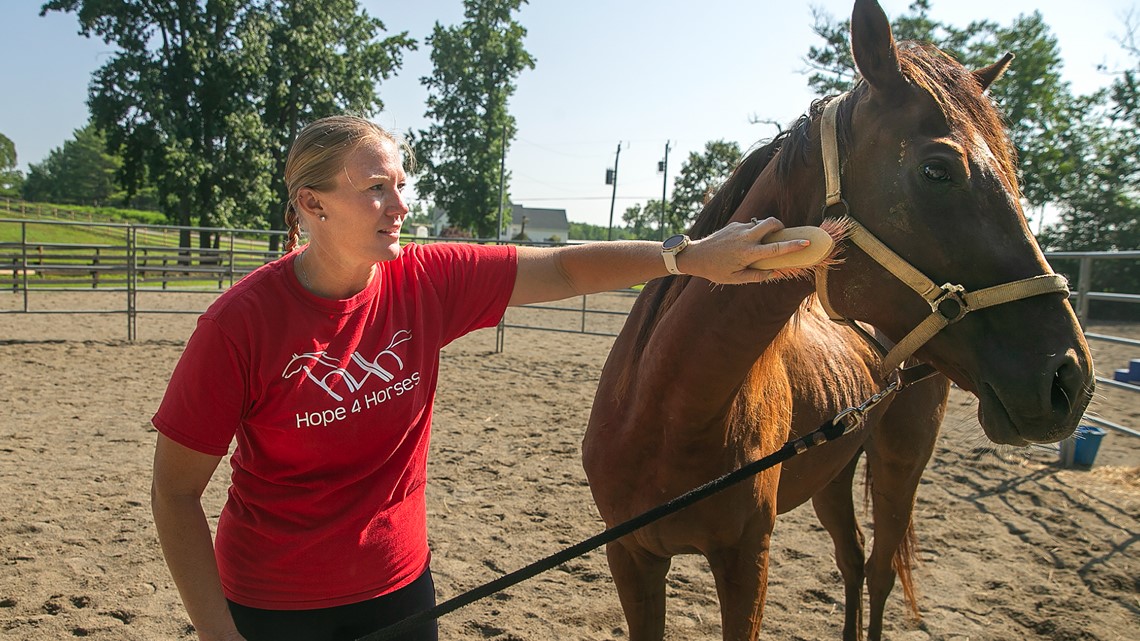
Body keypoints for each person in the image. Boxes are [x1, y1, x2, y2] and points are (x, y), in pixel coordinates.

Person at [150, 115, 812, 641]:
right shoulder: (239, 324)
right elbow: (176, 491)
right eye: (376, 187)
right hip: (273, 606)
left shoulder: (425, 280)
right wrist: (216, 630)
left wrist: (689, 257)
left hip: (399, 591)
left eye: (401, 184)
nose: (399, 204)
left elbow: (563, 269)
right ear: (312, 204)